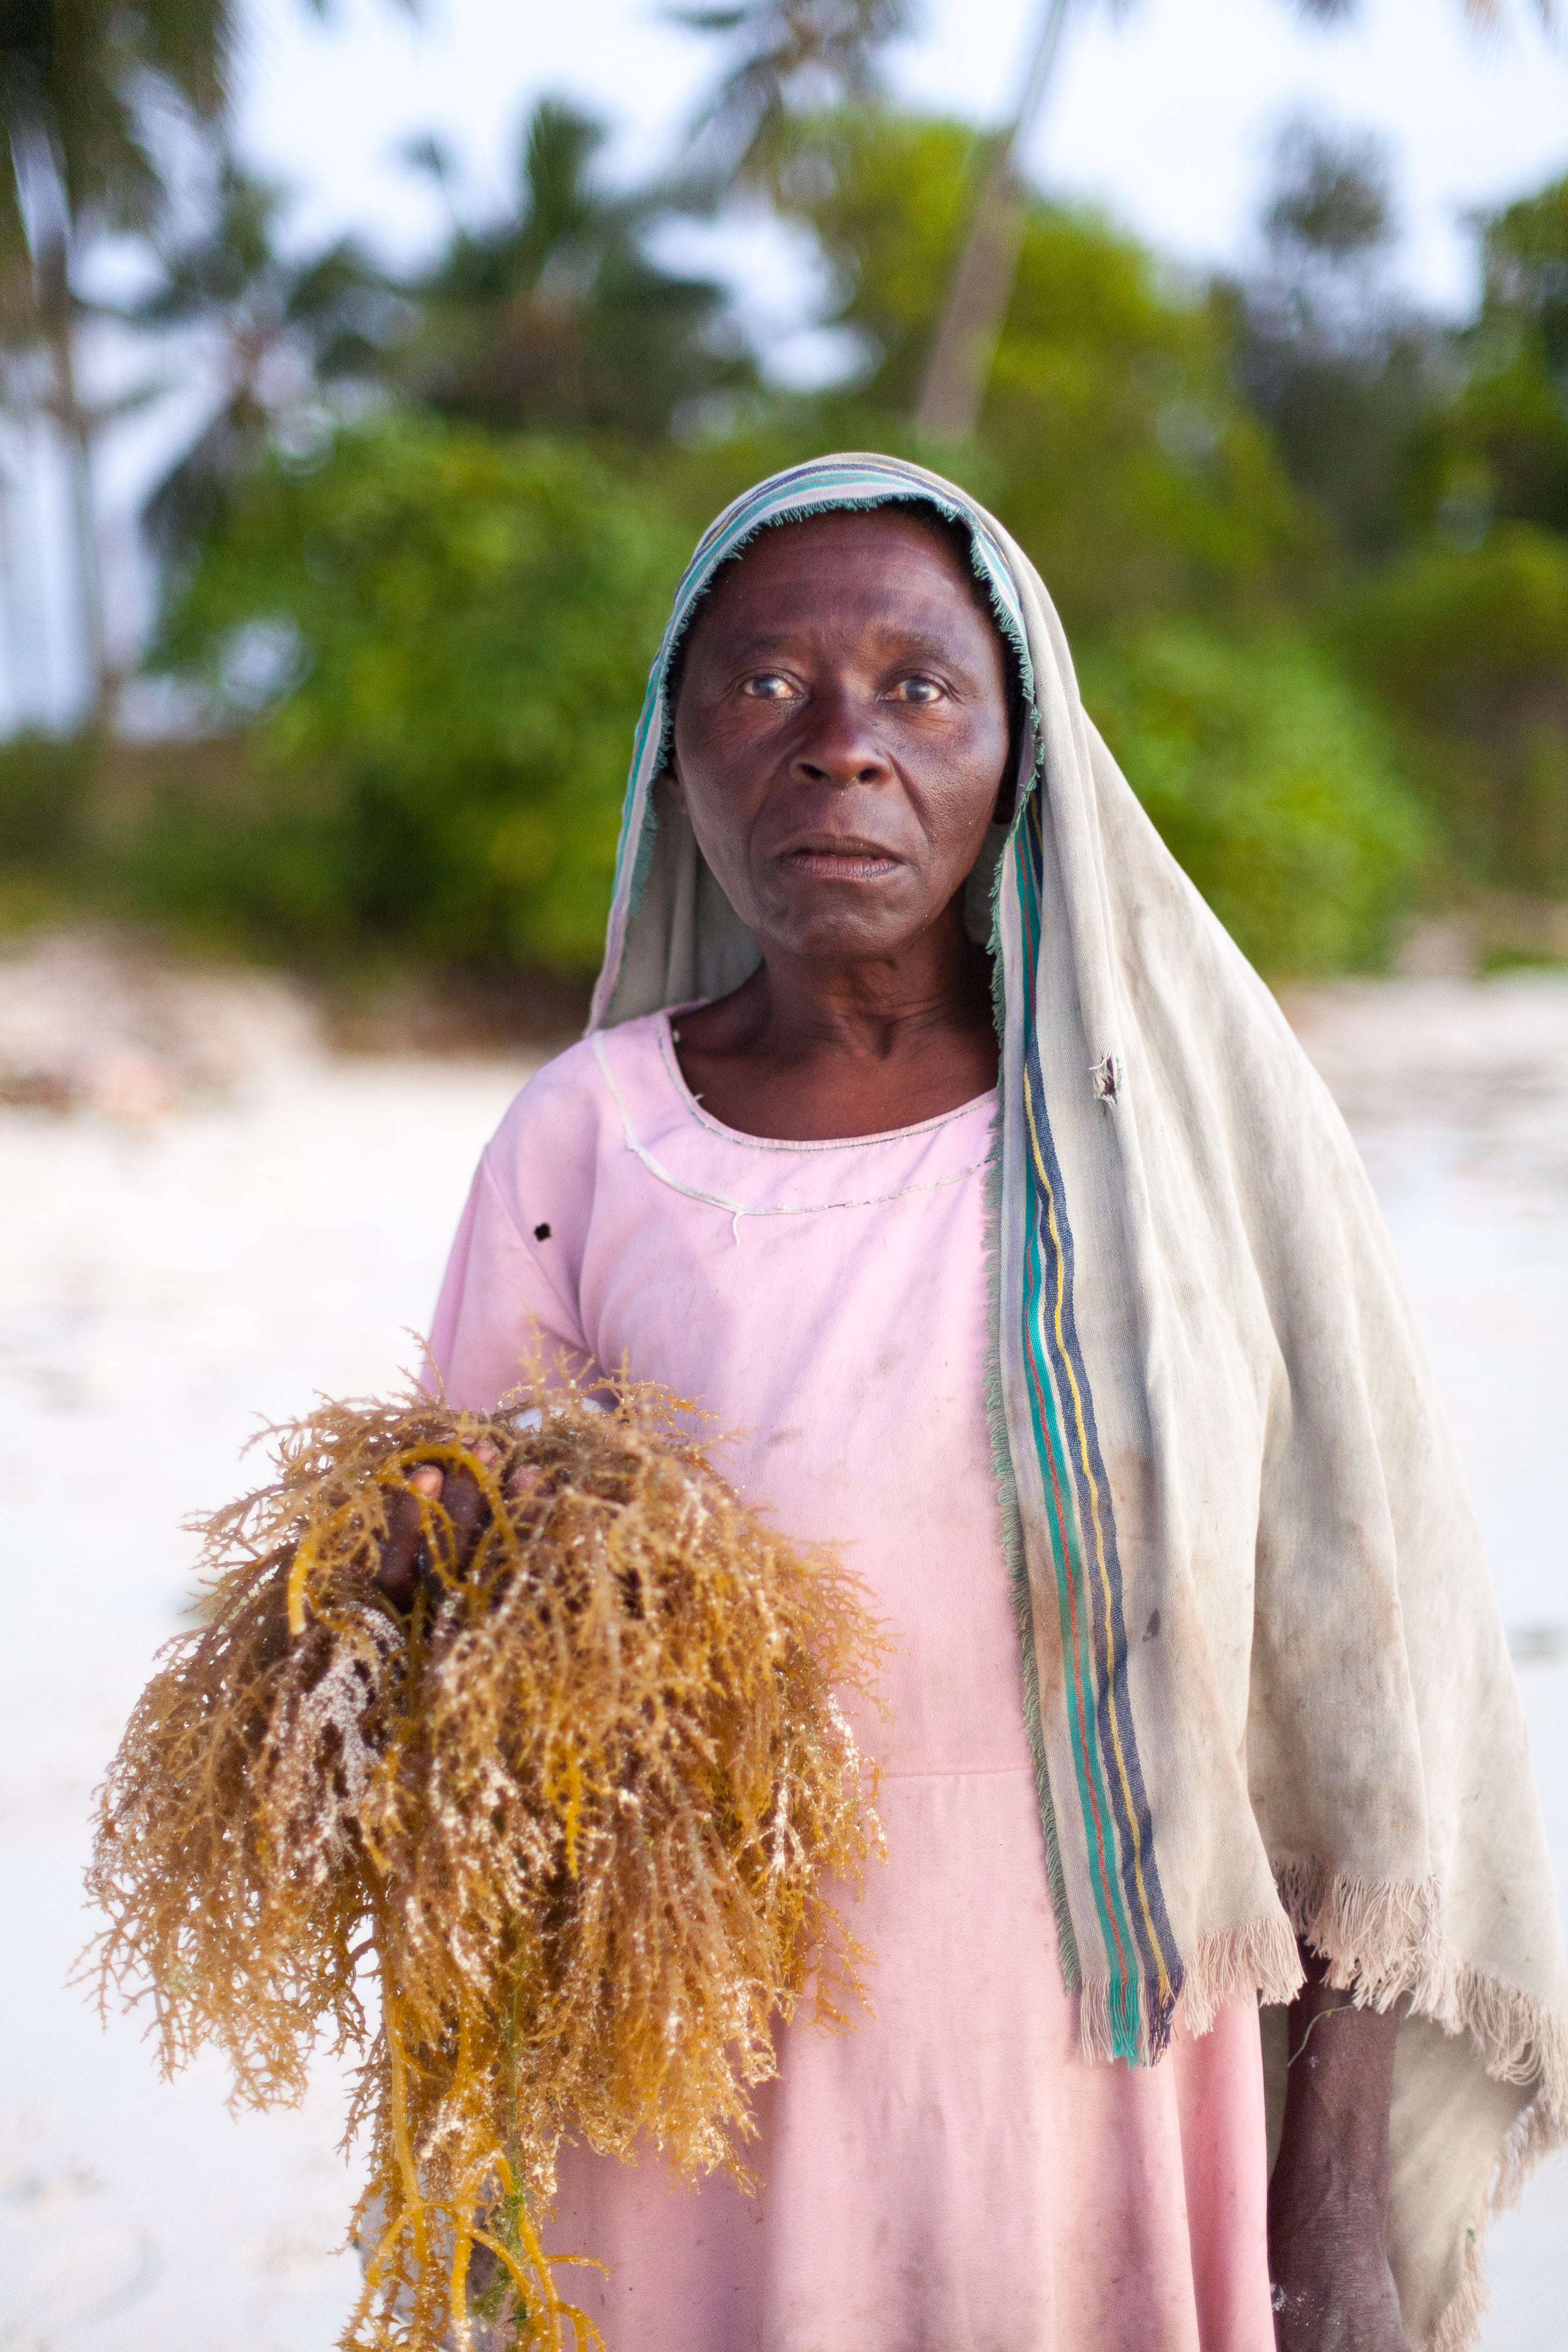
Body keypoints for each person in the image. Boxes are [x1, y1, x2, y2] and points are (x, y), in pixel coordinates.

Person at [388, 454, 1565, 2352]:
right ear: (674, 760)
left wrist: (1334, 2216)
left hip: (1094, 2057)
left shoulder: (1176, 1154)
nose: (840, 747)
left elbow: (1368, 1693)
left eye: (920, 688)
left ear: (1023, 751)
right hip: (699, 2063)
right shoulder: (588, 1140)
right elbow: (468, 1652)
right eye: (764, 687)